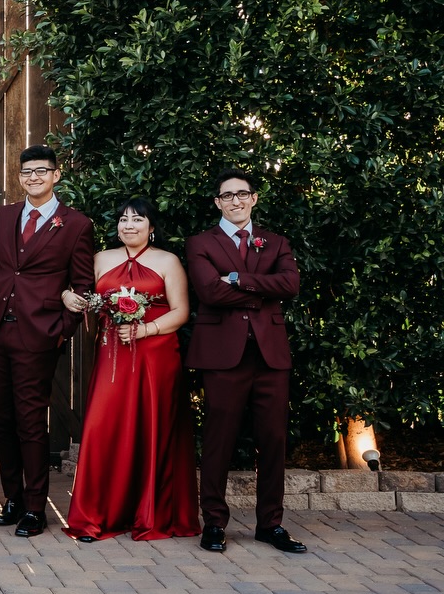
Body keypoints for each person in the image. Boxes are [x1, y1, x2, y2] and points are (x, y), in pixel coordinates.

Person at [0, 145, 94, 537]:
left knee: (30, 422)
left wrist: (62, 332)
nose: (34, 177)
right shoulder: (5, 215)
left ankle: (36, 509)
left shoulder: (75, 224)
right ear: (19, 177)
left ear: (56, 175)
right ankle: (13, 499)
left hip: (38, 336)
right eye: (27, 172)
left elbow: (84, 286)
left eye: (42, 171)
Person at [60, 197, 199, 542]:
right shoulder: (100, 259)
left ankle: (150, 514)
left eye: (137, 220)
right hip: (112, 356)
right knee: (104, 427)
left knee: (152, 428)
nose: (129, 226)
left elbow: (181, 311)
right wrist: (69, 298)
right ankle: (97, 515)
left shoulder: (168, 261)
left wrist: (146, 329)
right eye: (123, 220)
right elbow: (77, 291)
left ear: (151, 227)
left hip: (156, 354)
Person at [186, 170, 305, 554]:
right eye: (228, 195)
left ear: (254, 199)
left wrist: (237, 278)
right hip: (222, 356)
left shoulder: (275, 242)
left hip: (270, 356)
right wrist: (259, 290)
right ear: (217, 202)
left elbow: (290, 285)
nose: (236, 200)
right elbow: (209, 290)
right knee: (219, 440)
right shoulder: (200, 242)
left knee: (273, 441)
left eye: (243, 194)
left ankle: (270, 524)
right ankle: (215, 524)